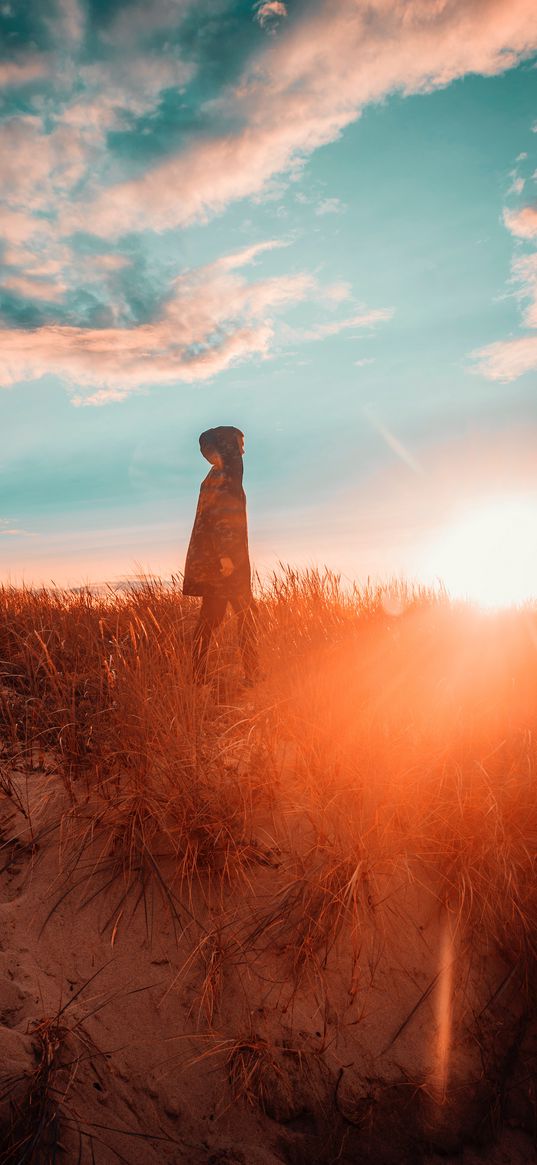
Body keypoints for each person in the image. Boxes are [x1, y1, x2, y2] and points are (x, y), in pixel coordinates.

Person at [183, 426, 260, 686]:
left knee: (211, 619)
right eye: (240, 443)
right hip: (226, 563)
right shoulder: (227, 474)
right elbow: (222, 517)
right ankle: (253, 675)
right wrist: (226, 557)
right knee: (248, 617)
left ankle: (198, 675)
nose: (243, 449)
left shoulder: (214, 476)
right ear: (228, 445)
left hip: (214, 561)